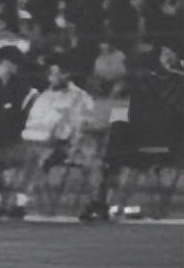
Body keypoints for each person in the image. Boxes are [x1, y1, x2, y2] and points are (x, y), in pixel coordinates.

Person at [0, 55, 95, 219]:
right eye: (50, 74)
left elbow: (78, 127)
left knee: (35, 156)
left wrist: (62, 138)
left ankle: (19, 203)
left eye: (55, 74)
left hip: (55, 146)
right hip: (26, 143)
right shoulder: (43, 96)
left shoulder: (79, 98)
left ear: (66, 75)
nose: (50, 78)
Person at [79, 46, 184, 220]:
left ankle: (107, 202)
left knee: (120, 154)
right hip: (145, 141)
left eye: (169, 53)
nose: (169, 57)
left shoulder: (176, 83)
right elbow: (131, 112)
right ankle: (106, 202)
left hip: (171, 145)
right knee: (117, 140)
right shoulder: (144, 83)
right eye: (164, 54)